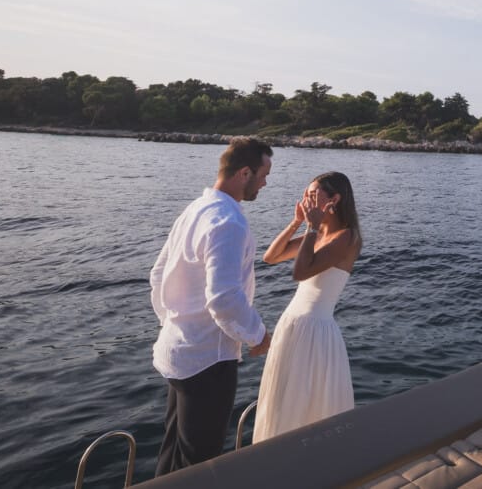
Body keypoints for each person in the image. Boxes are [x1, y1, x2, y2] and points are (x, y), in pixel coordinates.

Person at [149, 137, 274, 476]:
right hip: (208, 360)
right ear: (244, 173)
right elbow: (224, 298)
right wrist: (258, 335)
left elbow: (158, 275)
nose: (265, 182)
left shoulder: (196, 209)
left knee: (173, 450)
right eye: (263, 174)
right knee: (198, 464)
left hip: (177, 350)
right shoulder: (228, 222)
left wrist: (172, 322)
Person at [252, 170, 363, 442]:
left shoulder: (346, 238)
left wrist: (311, 228)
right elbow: (270, 257)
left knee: (307, 404)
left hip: (315, 332)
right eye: (307, 194)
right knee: (282, 400)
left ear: (334, 199)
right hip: (292, 324)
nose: (307, 199)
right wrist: (296, 222)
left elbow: (300, 273)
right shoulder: (318, 235)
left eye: (313, 194)